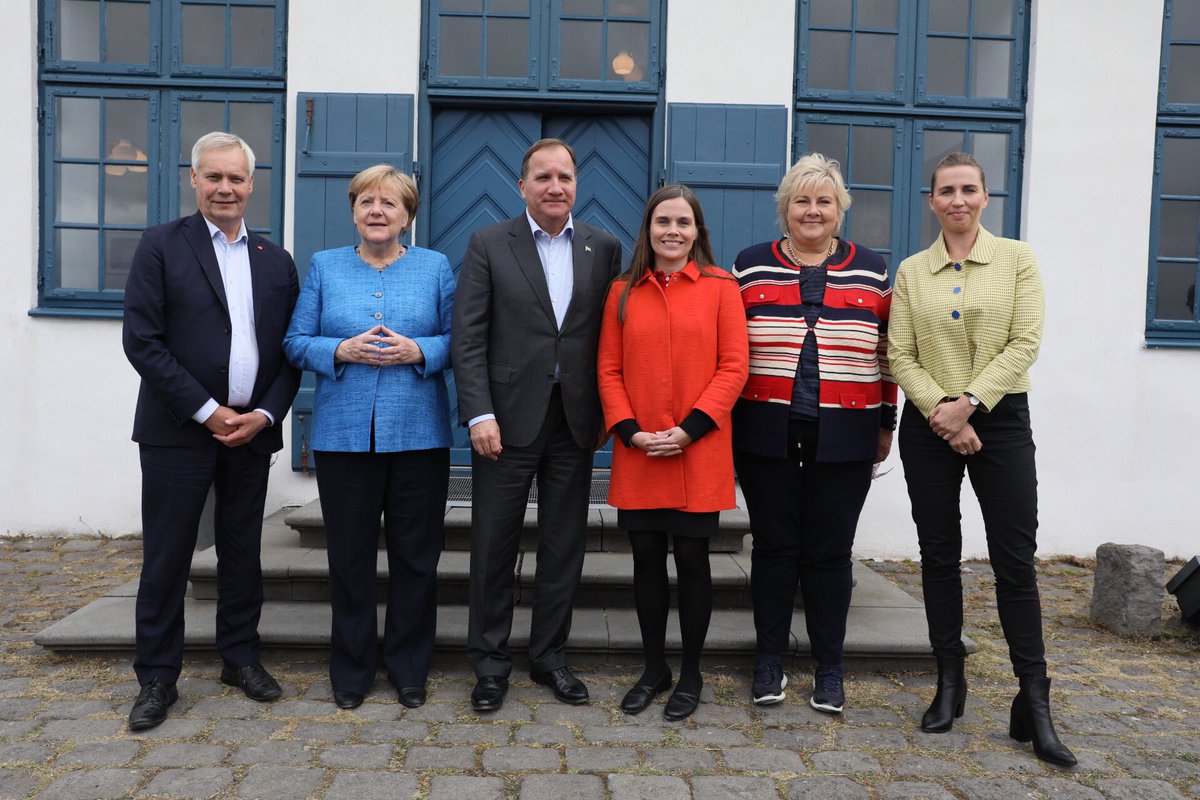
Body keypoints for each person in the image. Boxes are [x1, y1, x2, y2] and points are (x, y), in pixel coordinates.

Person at [888, 152, 1075, 767]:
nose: (958, 200)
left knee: (1014, 559)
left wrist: (970, 404)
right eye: (947, 191)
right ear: (932, 200)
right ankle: (950, 682)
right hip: (927, 422)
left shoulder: (1018, 259)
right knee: (938, 554)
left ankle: (1035, 700)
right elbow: (899, 352)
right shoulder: (913, 272)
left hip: (1001, 416)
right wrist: (944, 412)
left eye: (969, 189)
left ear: (986, 197)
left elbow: (1025, 342)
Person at [122, 131, 300, 731]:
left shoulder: (275, 261)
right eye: (214, 177)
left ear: (253, 185)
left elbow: (289, 354)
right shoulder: (160, 246)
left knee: (242, 551)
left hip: (249, 434)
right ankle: (156, 677)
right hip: (178, 431)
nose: (226, 188)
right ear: (193, 180)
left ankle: (240, 658)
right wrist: (207, 410)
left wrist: (264, 415)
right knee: (169, 556)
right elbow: (142, 342)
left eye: (237, 178)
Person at [452, 138, 623, 712]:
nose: (555, 187)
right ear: (521, 185)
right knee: (492, 548)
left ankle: (550, 657)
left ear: (577, 185)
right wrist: (478, 411)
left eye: (566, 177)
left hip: (574, 423)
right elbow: (468, 337)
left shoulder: (604, 247)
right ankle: (490, 664)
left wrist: (606, 409)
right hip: (502, 423)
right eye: (543, 177)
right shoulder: (487, 243)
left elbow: (608, 340)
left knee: (563, 548)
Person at [283, 165, 454, 711]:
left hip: (419, 435)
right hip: (343, 436)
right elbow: (294, 341)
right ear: (354, 210)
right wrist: (338, 350)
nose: (377, 211)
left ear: (408, 215)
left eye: (390, 203)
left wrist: (421, 351)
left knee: (415, 558)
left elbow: (461, 338)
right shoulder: (325, 267)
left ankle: (408, 668)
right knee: (350, 559)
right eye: (367, 202)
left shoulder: (435, 267)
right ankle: (351, 671)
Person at [730, 153, 896, 714]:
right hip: (765, 432)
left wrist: (886, 423)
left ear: (839, 209)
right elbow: (729, 350)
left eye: (824, 200)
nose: (812, 210)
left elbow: (887, 354)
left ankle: (830, 668)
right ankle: (769, 662)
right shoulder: (749, 266)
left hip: (847, 433)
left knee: (830, 554)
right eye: (801, 200)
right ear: (785, 207)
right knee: (775, 550)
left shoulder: (871, 268)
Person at [598, 185, 748, 722]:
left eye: (683, 222)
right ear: (649, 228)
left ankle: (690, 672)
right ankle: (653, 667)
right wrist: (632, 431)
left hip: (698, 448)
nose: (673, 231)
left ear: (697, 231)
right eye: (663, 221)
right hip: (639, 450)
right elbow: (608, 370)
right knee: (644, 562)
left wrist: (689, 430)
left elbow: (734, 367)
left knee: (692, 562)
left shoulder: (720, 288)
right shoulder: (622, 291)